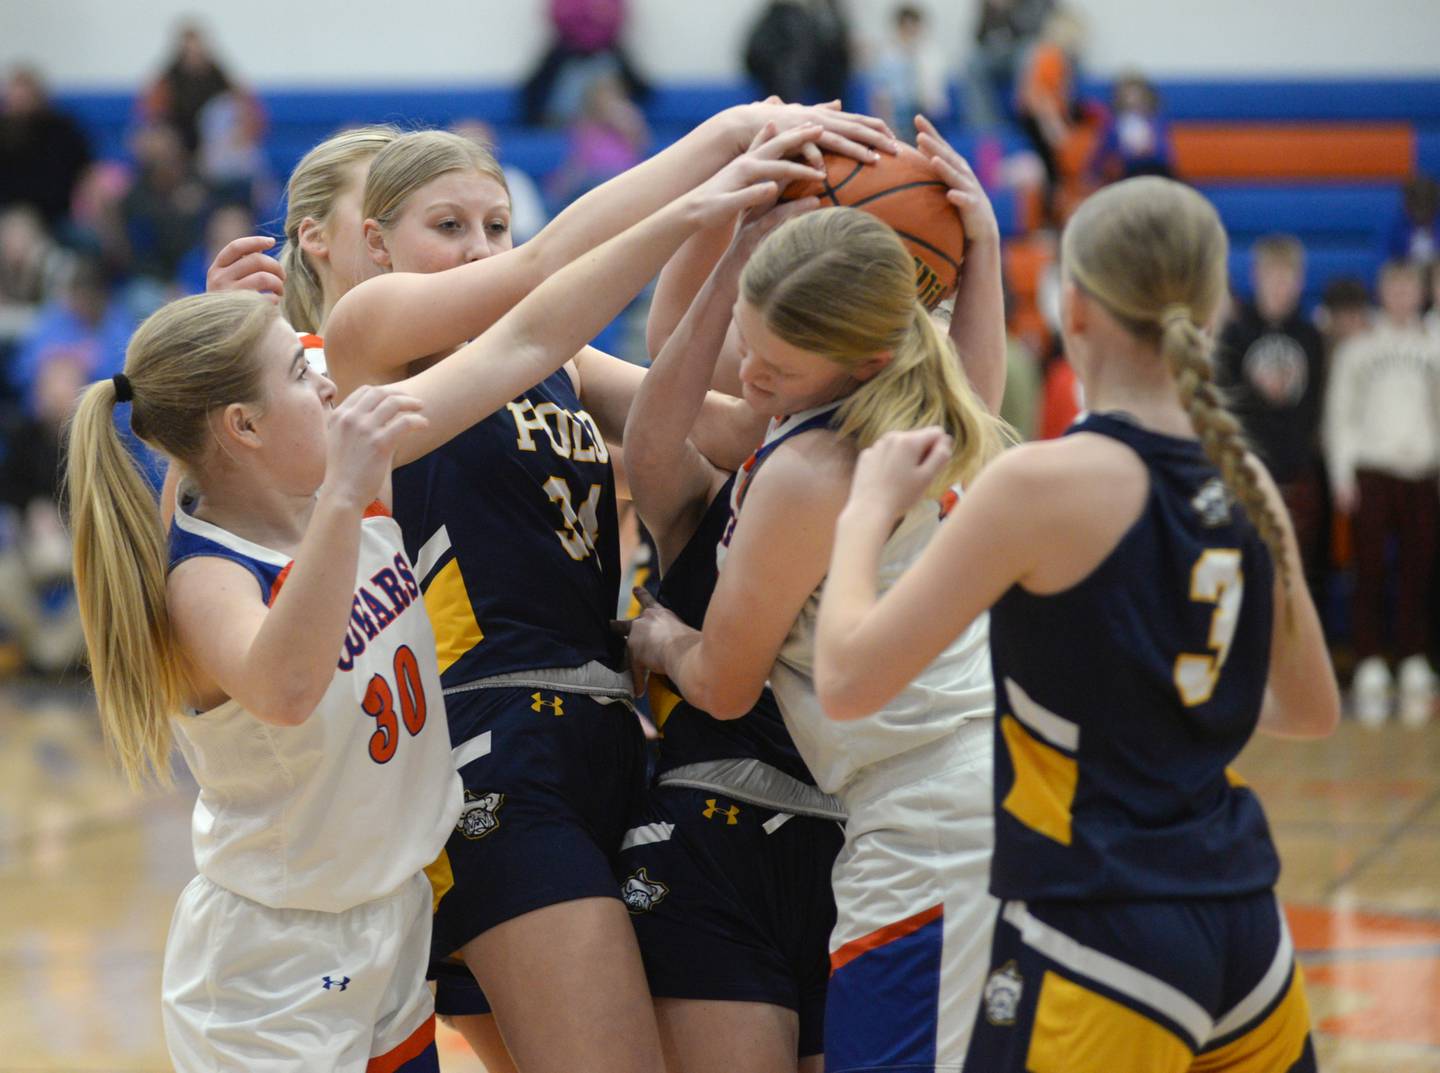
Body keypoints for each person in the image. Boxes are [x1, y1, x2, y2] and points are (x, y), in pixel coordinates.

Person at [63, 149, 776, 1069]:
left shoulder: (356, 489)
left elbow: (527, 338)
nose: (326, 377)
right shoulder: (221, 566)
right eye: (298, 368)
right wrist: (341, 487)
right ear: (241, 422)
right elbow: (282, 682)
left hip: (391, 916)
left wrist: (705, 218)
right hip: (277, 956)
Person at [322, 116, 865, 1073]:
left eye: (493, 224)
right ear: (376, 244)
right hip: (496, 742)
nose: (479, 247)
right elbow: (538, 279)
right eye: (448, 226)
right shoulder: (366, 341)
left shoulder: (566, 366)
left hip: (616, 740)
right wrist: (731, 145)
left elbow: (730, 430)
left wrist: (764, 262)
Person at [814, 176, 1338, 1072]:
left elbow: (850, 679)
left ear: (1077, 309)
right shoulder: (1251, 484)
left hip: (1102, 931)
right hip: (1247, 929)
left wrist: (864, 515)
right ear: (1214, 306)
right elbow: (1309, 709)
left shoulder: (1039, 485)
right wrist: (1157, 686)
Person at [625, 115, 1009, 1071]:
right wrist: (985, 250)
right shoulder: (933, 416)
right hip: (978, 797)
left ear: (862, 360)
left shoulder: (813, 469)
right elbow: (658, 428)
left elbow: (720, 684)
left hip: (921, 816)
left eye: (778, 367)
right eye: (748, 347)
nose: (751, 376)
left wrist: (659, 635)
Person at [618, 197, 842, 1073]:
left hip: (853, 839)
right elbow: (649, 420)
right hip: (715, 834)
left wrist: (658, 638)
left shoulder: (874, 474)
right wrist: (737, 241)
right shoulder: (691, 485)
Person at [1324, 259, 1440, 726]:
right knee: (1368, 570)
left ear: (1419, 293)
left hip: (1421, 472)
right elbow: (1340, 414)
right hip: (1371, 471)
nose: (1401, 296)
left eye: (1408, 288)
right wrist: (1341, 476)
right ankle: (1369, 658)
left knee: (1417, 570)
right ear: (1382, 292)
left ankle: (1412, 657)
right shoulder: (1359, 349)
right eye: (1393, 288)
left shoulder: (1433, 348)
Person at [1217, 235, 1327, 603]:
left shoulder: (1311, 337)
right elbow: (1227, 406)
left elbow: (1314, 405)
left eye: (1288, 277)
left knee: (1299, 573)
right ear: (1255, 276)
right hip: (1249, 473)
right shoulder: (1234, 334)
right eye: (1272, 276)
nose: (1280, 286)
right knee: (1250, 571)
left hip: (1296, 471)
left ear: (1300, 281)